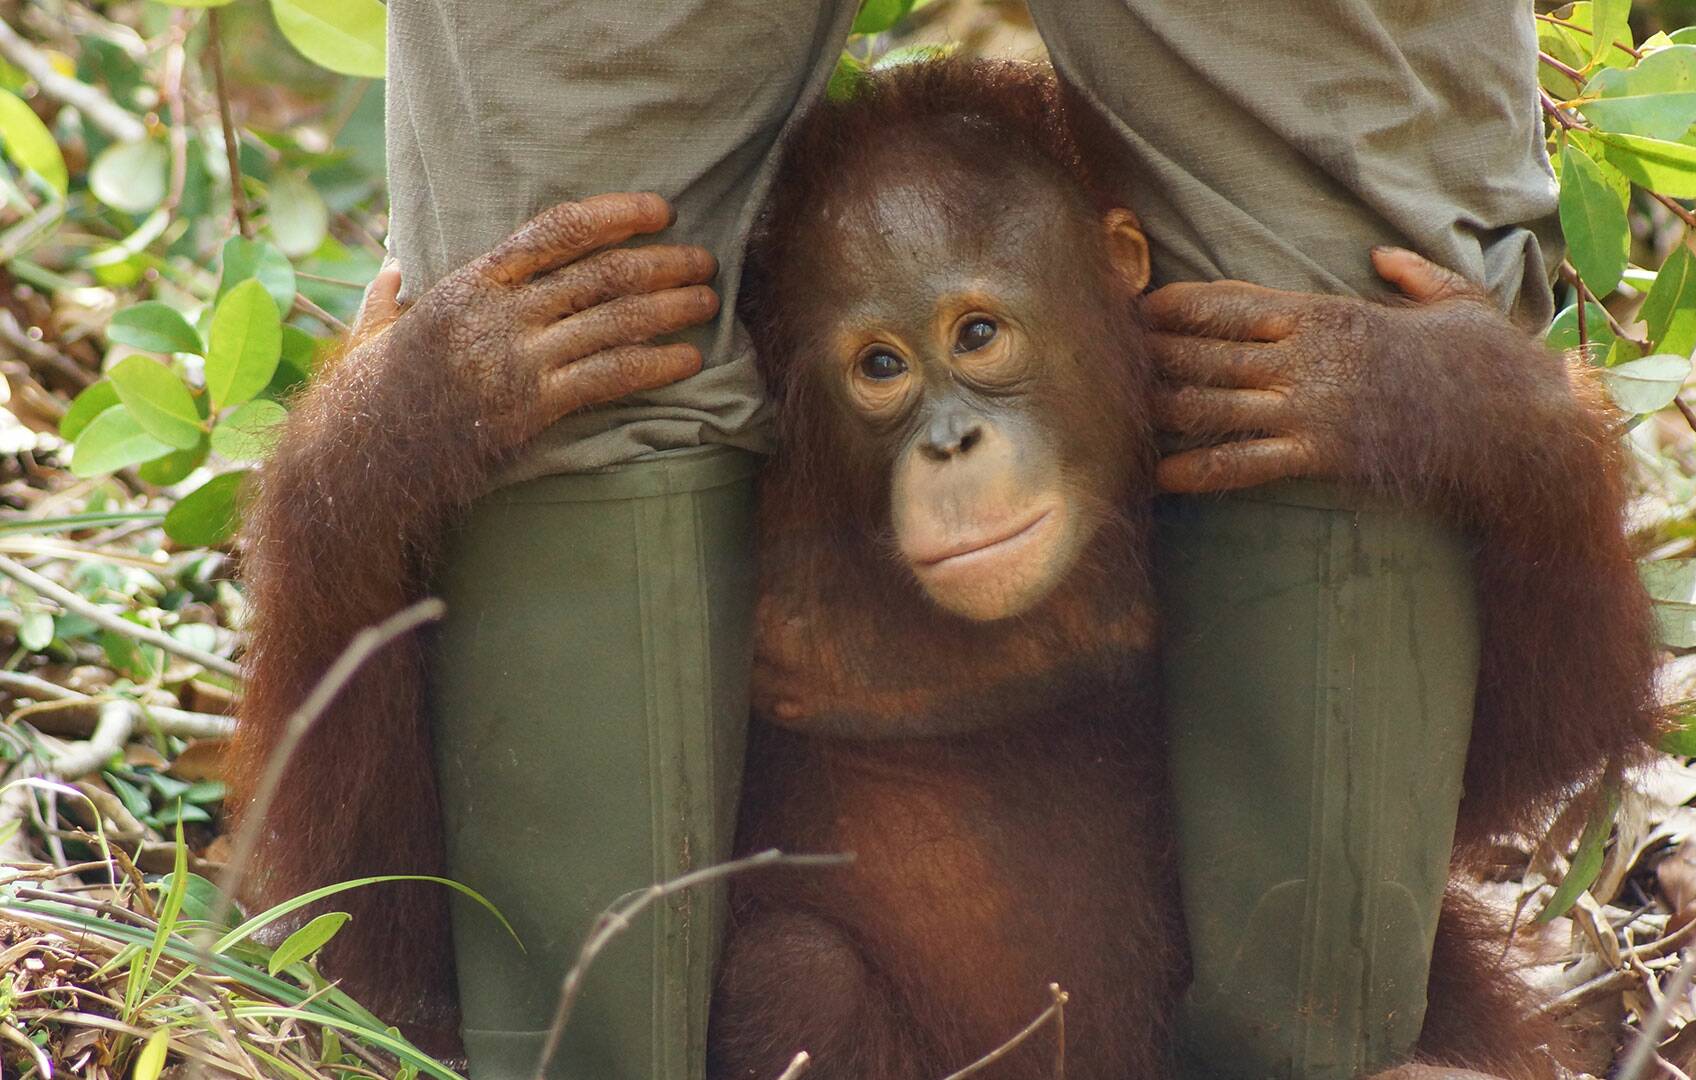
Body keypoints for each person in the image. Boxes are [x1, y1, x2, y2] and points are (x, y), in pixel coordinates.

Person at [387, 3, 1561, 1077]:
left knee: (1327, 265)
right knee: (584, 342)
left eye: (983, 336)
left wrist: (1479, 408)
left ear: (1120, 268)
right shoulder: (768, 518)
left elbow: (1522, 754)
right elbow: (394, 893)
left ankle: (1336, 1054)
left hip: (1207, 993)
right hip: (867, 1035)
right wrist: (375, 445)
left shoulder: (1197, 397)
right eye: (882, 369)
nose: (952, 441)